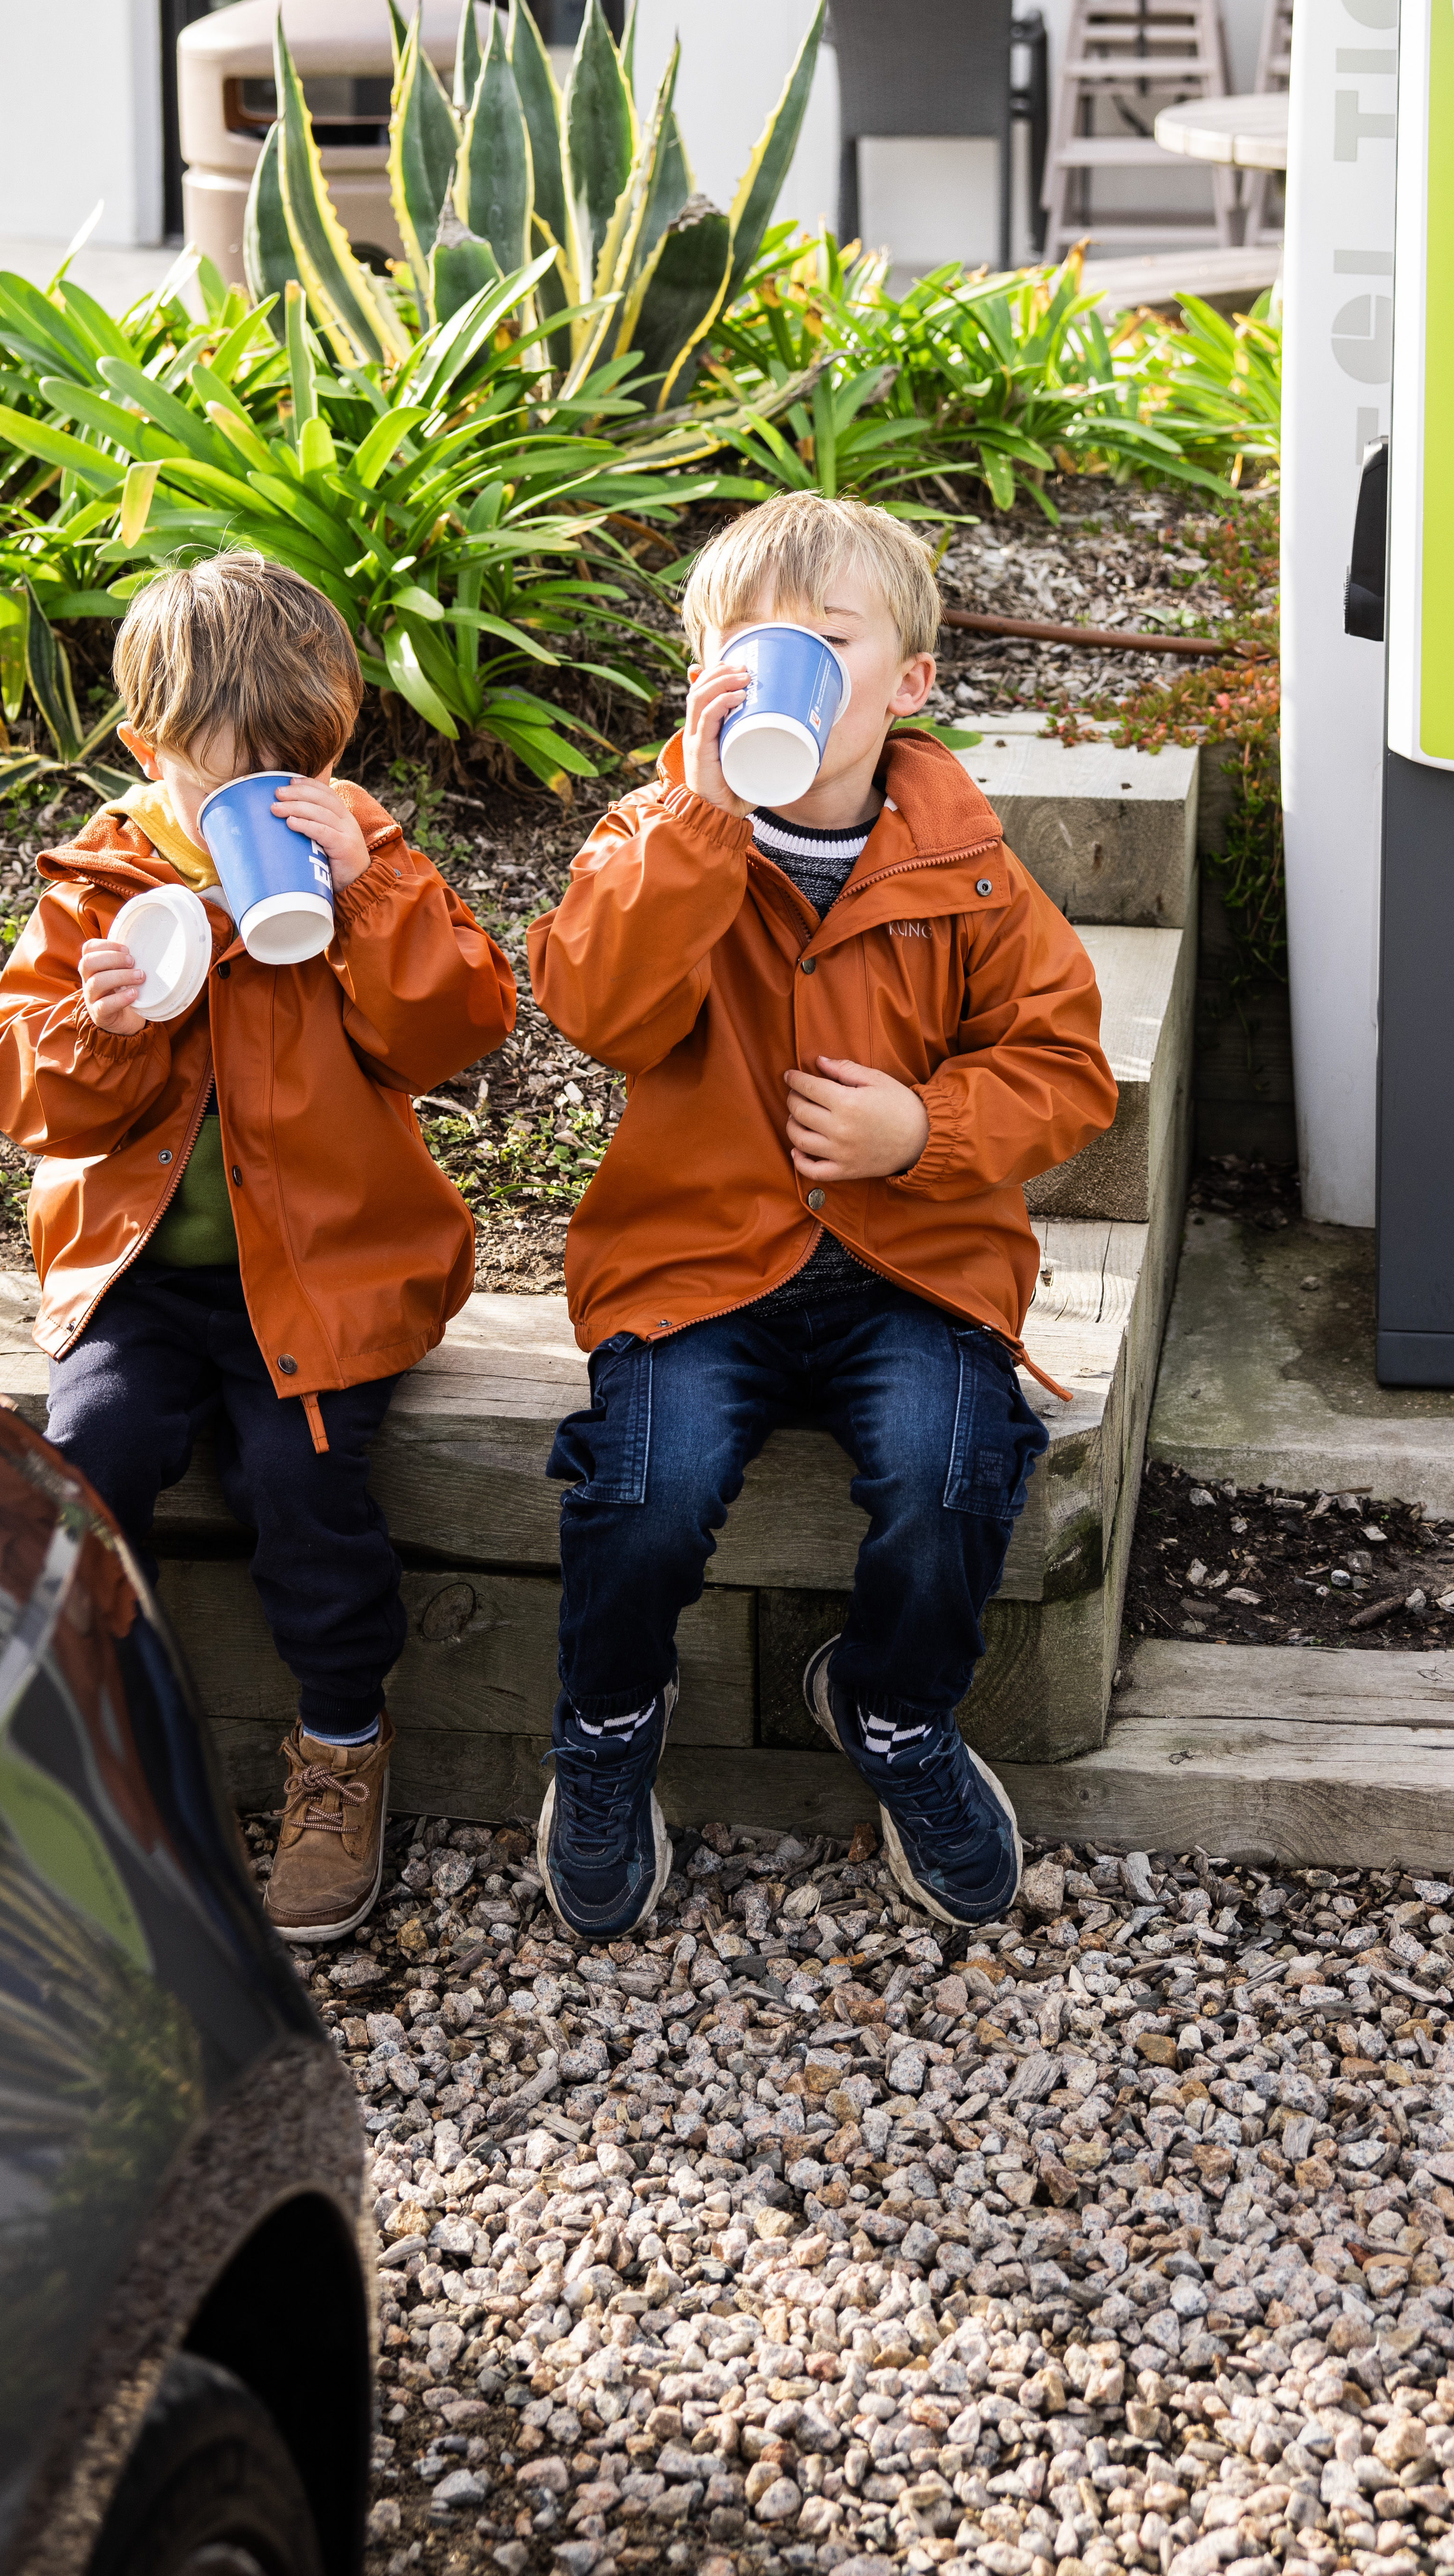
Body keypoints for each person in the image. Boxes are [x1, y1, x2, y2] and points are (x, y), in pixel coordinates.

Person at [526, 496, 1118, 1940]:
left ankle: (895, 1707)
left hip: (913, 1265)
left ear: (909, 684)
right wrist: (696, 818)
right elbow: (591, 1006)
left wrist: (925, 1130)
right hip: (697, 1259)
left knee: (952, 1467)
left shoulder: (967, 866)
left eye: (827, 641)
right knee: (646, 1490)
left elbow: (1066, 1070)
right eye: (750, 646)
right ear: (702, 678)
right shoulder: (661, 834)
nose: (783, 668)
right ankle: (607, 1723)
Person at [0, 549, 515, 1941]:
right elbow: (25, 1098)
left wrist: (372, 891)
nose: (275, 809)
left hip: (327, 1273)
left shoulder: (367, 866)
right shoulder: (98, 888)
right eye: (234, 787)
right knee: (93, 1457)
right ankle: (99, 1737)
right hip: (143, 1281)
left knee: (304, 1478)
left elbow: (457, 1031)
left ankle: (342, 1745)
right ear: (147, 754)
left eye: (306, 773)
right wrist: (108, 1020)